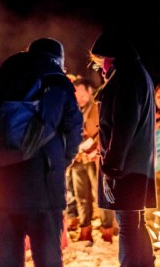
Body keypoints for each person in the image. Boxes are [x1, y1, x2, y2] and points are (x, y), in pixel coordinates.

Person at [0, 38, 82, 267]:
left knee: (7, 261)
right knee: (47, 260)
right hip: (42, 188)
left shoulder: (1, 82)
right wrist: (58, 164)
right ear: (58, 59)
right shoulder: (58, 82)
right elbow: (74, 129)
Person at [90, 30, 156, 267]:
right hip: (135, 162)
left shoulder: (127, 77)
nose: (100, 67)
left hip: (127, 165)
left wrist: (112, 162)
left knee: (128, 222)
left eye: (101, 61)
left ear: (113, 56)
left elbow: (125, 123)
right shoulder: (135, 74)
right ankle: (145, 264)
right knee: (136, 221)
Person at [70, 77, 115, 243]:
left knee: (100, 194)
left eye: (83, 94)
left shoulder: (98, 107)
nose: (80, 97)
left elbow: (106, 131)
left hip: (95, 158)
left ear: (90, 92)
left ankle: (107, 230)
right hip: (77, 158)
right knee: (81, 195)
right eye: (77, 94)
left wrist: (95, 146)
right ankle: (85, 229)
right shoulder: (72, 110)